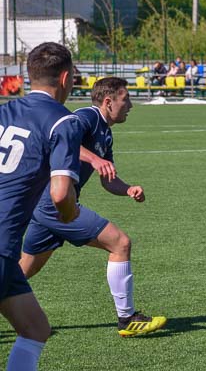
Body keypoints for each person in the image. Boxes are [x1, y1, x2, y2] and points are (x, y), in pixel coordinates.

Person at [19, 77, 167, 338]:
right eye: (126, 99)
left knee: (20, 273)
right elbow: (61, 140)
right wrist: (95, 158)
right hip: (54, 203)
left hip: (51, 205)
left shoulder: (106, 134)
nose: (131, 105)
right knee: (120, 243)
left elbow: (107, 179)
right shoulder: (86, 117)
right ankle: (127, 318)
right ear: (108, 102)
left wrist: (127, 188)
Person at [0, 42, 82, 371]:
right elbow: (61, 193)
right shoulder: (63, 122)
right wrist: (69, 215)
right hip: (2, 246)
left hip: (6, 257)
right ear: (65, 78)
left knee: (36, 329)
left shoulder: (4, 111)